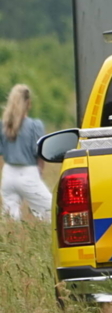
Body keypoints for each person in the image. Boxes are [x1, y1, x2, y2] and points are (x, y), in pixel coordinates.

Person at [0, 84, 52, 221]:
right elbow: (40, 153)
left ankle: (12, 240)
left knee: (11, 217)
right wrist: (39, 173)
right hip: (28, 172)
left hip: (8, 173)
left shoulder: (4, 125)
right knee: (50, 210)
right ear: (28, 103)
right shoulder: (34, 125)